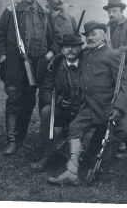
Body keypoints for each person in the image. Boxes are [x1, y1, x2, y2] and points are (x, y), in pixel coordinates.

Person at [47, 21, 127, 195]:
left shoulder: (113, 55)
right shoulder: (86, 53)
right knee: (75, 128)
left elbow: (124, 85)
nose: (90, 38)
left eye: (94, 34)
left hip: (111, 106)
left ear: (104, 35)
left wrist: (119, 108)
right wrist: (55, 60)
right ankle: (72, 172)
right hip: (90, 106)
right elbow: (69, 54)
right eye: (87, 35)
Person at [0, 0, 60, 156]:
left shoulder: (46, 14)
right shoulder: (11, 12)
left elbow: (56, 40)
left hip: (37, 67)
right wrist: (3, 58)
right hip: (15, 65)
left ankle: (20, 138)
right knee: (14, 100)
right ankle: (12, 142)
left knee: (28, 102)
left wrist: (50, 54)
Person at [31, 34, 84, 172]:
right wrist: (59, 101)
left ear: (80, 48)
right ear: (62, 49)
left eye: (74, 46)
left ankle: (90, 156)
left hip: (84, 109)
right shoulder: (55, 65)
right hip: (64, 109)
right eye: (66, 47)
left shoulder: (88, 64)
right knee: (47, 112)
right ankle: (48, 154)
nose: (70, 50)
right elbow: (45, 91)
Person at [104, 0, 127, 160]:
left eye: (115, 11)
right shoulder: (105, 28)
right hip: (109, 71)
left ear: (121, 12)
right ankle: (111, 136)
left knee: (124, 102)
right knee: (111, 101)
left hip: (125, 70)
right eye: (109, 11)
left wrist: (112, 55)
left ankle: (123, 141)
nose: (112, 14)